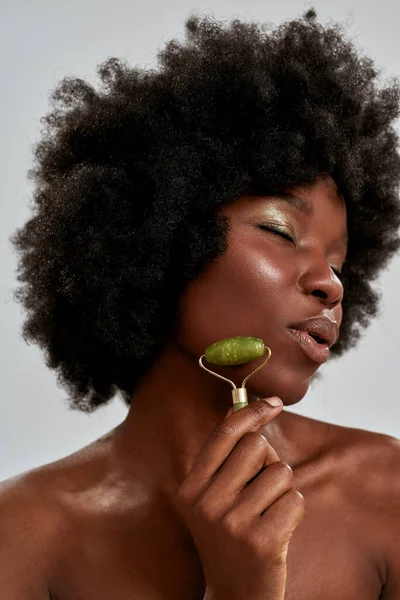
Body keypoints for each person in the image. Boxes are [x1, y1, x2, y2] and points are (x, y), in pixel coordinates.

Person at [1, 7, 400, 599]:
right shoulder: (24, 534)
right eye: (282, 232)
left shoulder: (386, 492)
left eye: (340, 264)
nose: (330, 284)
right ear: (157, 238)